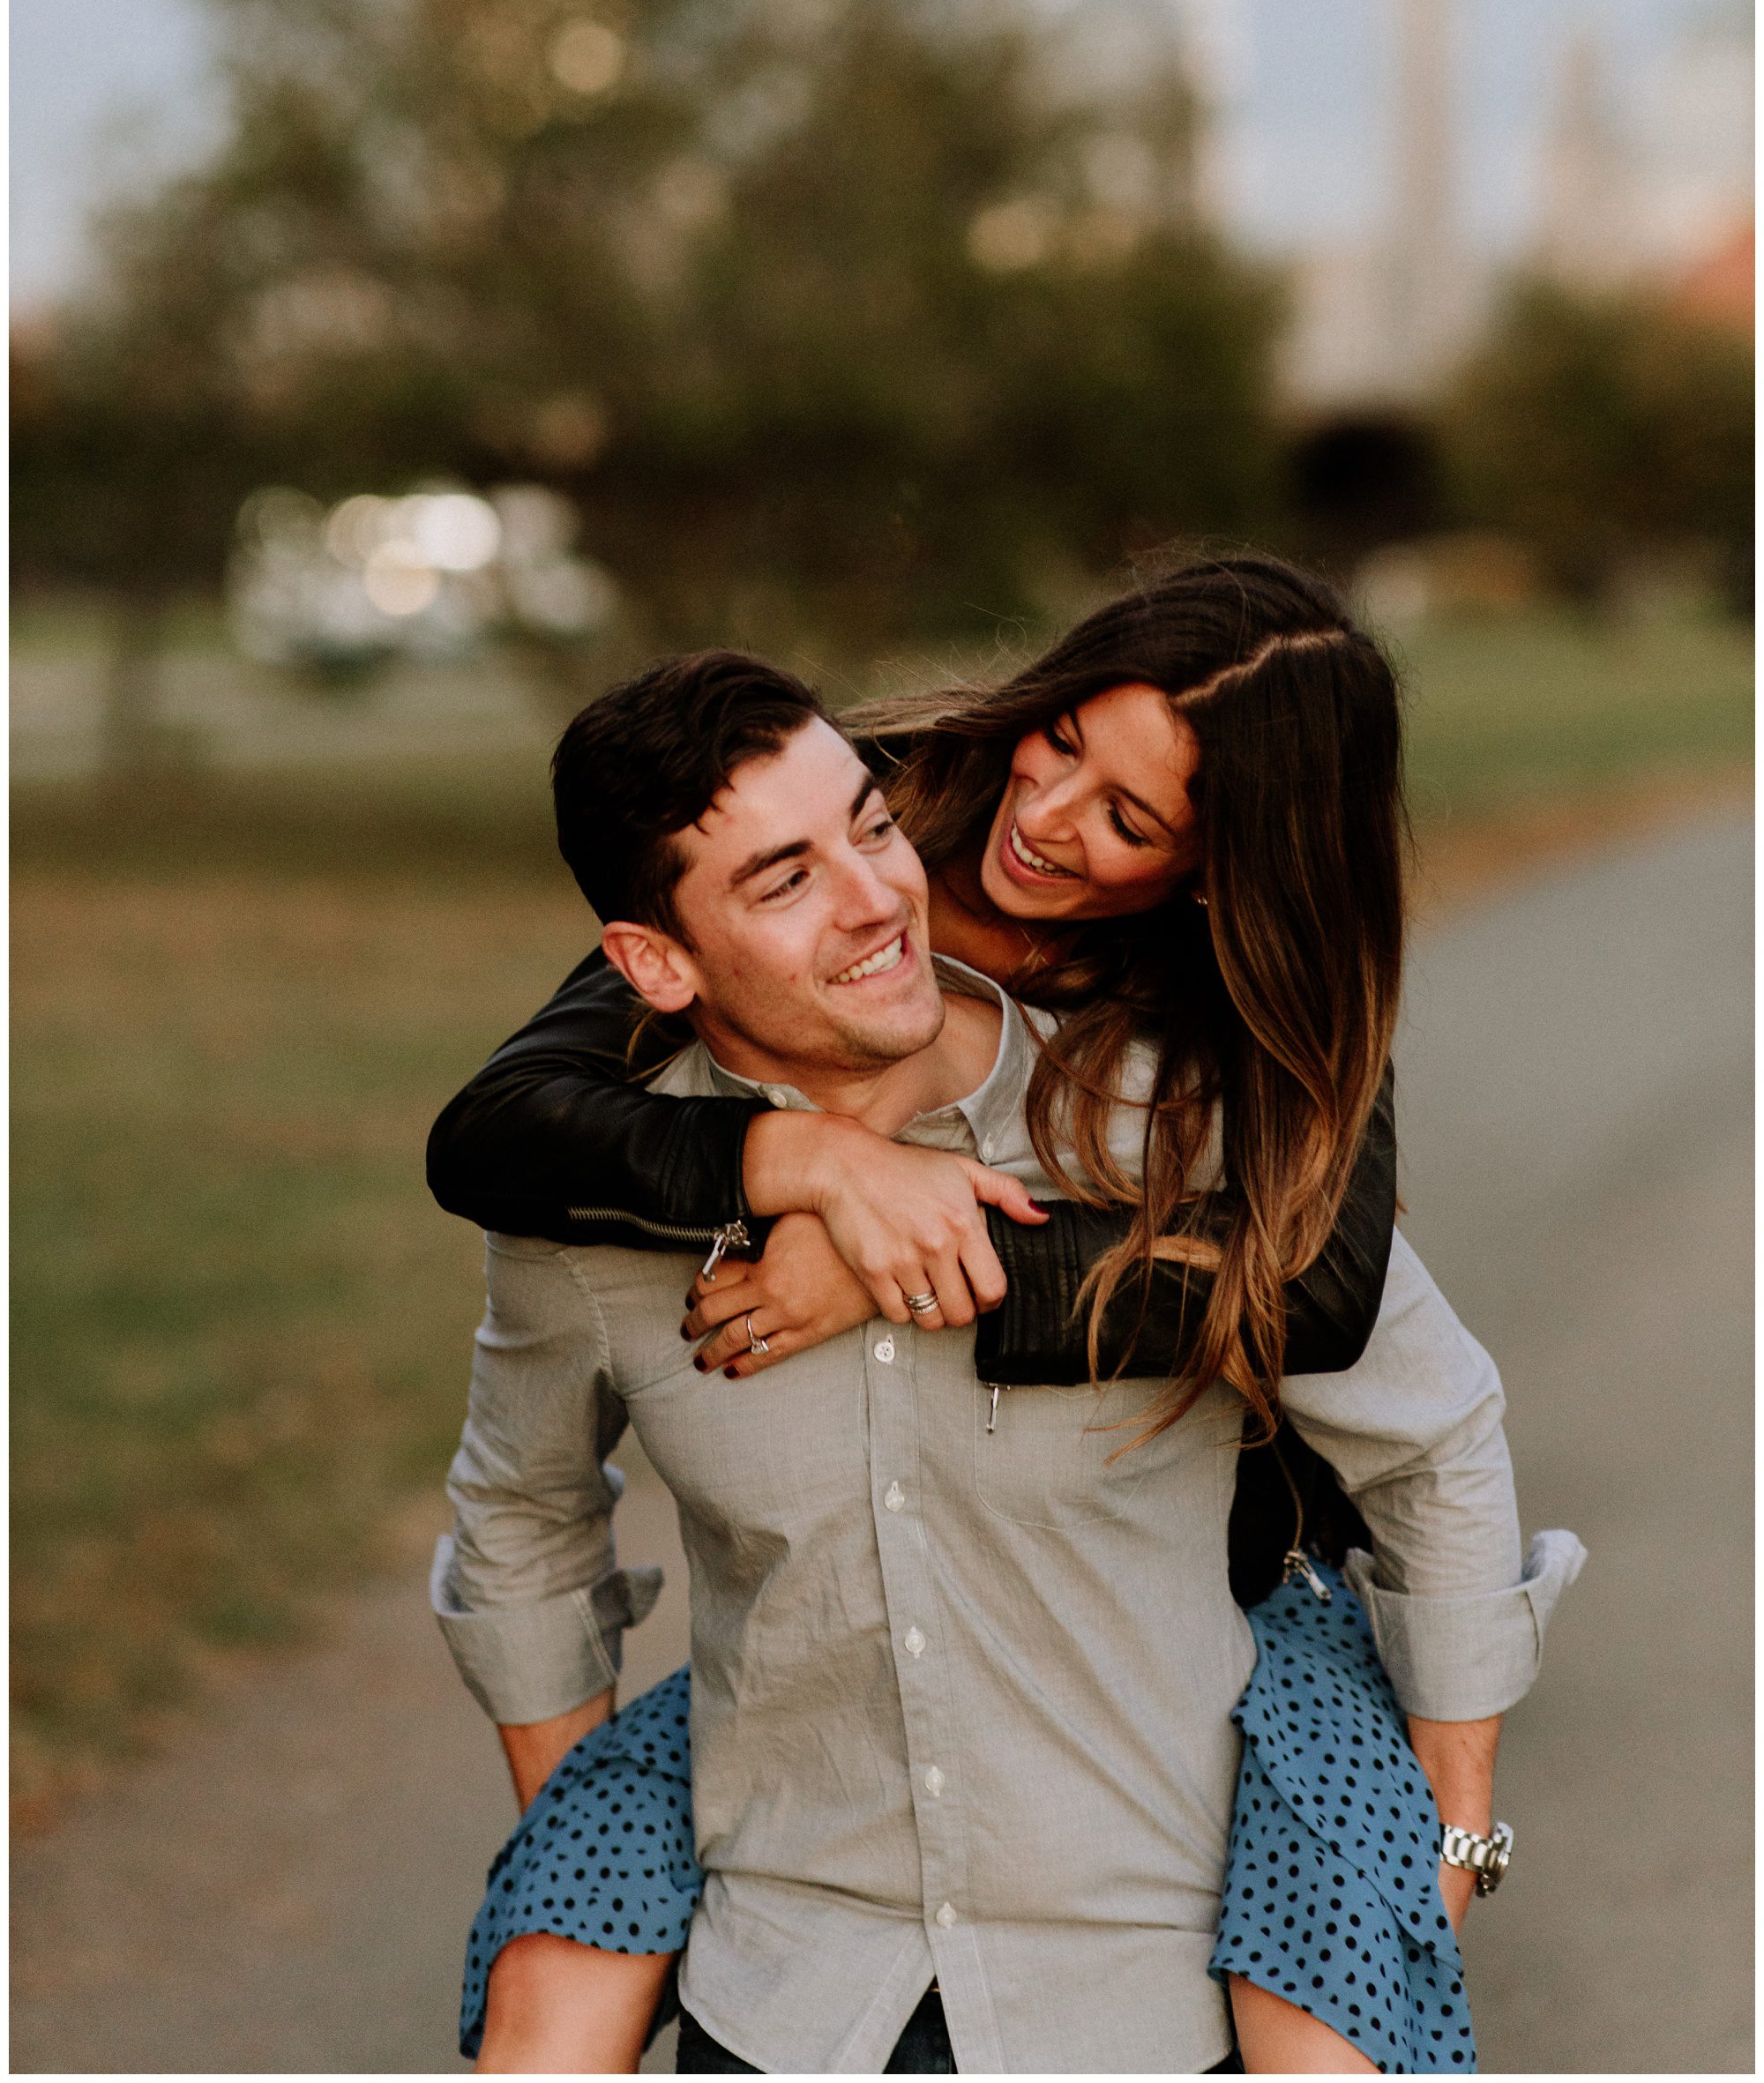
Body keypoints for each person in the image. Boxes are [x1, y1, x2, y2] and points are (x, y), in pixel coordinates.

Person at [433, 647, 1581, 2074]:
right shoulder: (591, 1211)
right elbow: (522, 1517)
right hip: (791, 1998)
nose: (876, 895)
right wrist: (591, 1825)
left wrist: (1456, 1832)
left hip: (1152, 1995)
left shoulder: (1177, 1120)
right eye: (786, 878)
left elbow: (1430, 1432)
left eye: (866, 828)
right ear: (658, 964)